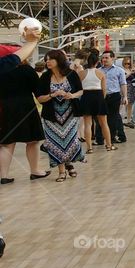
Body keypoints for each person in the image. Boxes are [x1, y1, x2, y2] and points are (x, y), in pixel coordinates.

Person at [0, 36, 49, 183]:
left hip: (5, 107)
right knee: (32, 141)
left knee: (7, 143)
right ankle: (35, 171)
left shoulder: (1, 71)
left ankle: (4, 176)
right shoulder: (27, 70)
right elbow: (38, 91)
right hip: (26, 107)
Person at [36, 49, 85, 182]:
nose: (47, 62)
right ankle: (61, 171)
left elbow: (80, 91)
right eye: (46, 59)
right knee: (55, 143)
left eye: (50, 59)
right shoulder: (45, 77)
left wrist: (72, 95)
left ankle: (69, 163)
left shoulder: (71, 74)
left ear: (58, 60)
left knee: (70, 141)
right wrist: (52, 94)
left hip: (70, 114)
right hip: (51, 116)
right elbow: (39, 98)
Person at [73, 49, 113, 153]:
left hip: (86, 96)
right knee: (104, 123)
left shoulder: (81, 73)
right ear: (97, 62)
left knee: (87, 123)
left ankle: (89, 148)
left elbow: (78, 88)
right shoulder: (101, 73)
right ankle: (109, 145)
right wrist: (102, 99)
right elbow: (104, 89)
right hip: (98, 96)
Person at [99, 51, 128, 145]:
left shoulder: (119, 70)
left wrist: (125, 96)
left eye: (106, 58)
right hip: (102, 96)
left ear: (112, 58)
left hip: (114, 95)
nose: (104, 60)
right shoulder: (99, 70)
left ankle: (111, 138)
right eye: (103, 58)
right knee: (102, 117)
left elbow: (123, 84)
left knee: (113, 117)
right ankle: (101, 138)